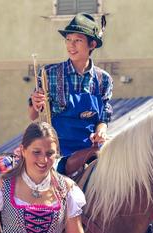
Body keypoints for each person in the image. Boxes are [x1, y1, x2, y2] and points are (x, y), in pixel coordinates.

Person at [29, 13, 113, 174]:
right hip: (55, 152)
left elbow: (103, 118)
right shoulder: (49, 73)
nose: (71, 45)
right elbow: (33, 115)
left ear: (92, 44)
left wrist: (101, 131)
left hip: (91, 152)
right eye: (68, 39)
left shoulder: (104, 80)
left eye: (78, 40)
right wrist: (35, 103)